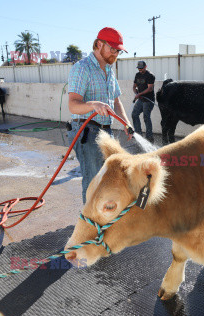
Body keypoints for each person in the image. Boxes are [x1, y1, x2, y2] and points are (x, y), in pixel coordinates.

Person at [67, 27, 133, 204]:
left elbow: (116, 102)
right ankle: (89, 227)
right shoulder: (82, 68)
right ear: (98, 44)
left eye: (118, 50)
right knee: (93, 183)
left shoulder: (110, 71)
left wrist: (126, 123)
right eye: (112, 49)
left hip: (106, 132)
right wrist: (93, 105)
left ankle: (103, 220)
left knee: (109, 180)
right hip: (87, 132)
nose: (116, 53)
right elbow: (73, 105)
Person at [132, 61, 156, 143]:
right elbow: (134, 86)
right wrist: (136, 93)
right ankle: (138, 133)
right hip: (140, 99)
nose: (140, 70)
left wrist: (140, 94)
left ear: (146, 66)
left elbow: (150, 88)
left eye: (141, 68)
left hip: (148, 100)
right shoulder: (137, 75)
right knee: (134, 114)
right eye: (139, 68)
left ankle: (149, 137)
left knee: (146, 117)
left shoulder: (150, 76)